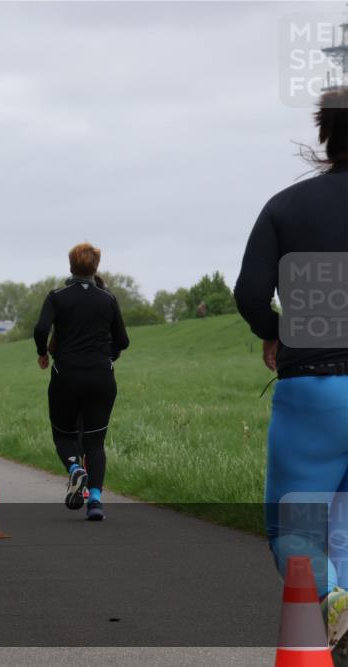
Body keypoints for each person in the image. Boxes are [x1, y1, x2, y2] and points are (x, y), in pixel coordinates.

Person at [233, 88, 348, 655]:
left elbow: (251, 293)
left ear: (326, 134)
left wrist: (273, 332)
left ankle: (333, 601)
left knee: (295, 531)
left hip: (314, 388)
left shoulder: (284, 207)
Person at [33, 242, 129, 522]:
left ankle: (75, 470)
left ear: (70, 265)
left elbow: (41, 328)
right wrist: (109, 354)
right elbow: (123, 340)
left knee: (63, 435)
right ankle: (95, 501)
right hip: (101, 376)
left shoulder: (57, 297)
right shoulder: (107, 298)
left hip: (67, 376)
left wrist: (42, 352)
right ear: (96, 267)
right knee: (95, 442)